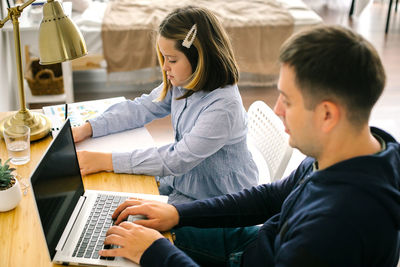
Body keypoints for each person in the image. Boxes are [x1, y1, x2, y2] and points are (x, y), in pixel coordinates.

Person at [96, 25, 400, 266]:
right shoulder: (356, 149)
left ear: (327, 114)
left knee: (114, 250)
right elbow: (271, 197)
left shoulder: (332, 230)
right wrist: (180, 214)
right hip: (255, 245)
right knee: (118, 232)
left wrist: (156, 253)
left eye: (288, 100)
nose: (277, 109)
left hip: (251, 257)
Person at [72, 6, 259, 204]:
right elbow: (142, 108)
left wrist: (105, 160)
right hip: (183, 183)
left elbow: (177, 159)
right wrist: (89, 128)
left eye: (171, 59)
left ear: (199, 59)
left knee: (130, 221)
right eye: (163, 58)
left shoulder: (223, 107)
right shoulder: (183, 82)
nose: (164, 67)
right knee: (114, 196)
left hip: (218, 201)